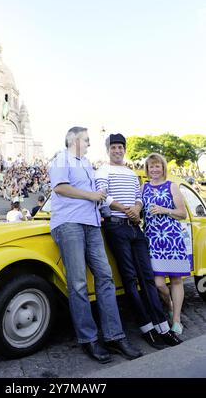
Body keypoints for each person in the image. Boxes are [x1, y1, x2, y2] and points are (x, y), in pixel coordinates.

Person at [49, 126, 142, 363]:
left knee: (105, 277)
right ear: (74, 140)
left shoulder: (87, 163)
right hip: (69, 223)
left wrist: (100, 198)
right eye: (86, 140)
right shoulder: (62, 157)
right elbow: (59, 187)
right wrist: (91, 195)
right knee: (78, 283)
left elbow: (94, 195)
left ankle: (114, 336)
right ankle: (88, 339)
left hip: (92, 225)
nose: (90, 143)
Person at [95, 133, 182, 349]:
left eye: (120, 147)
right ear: (108, 150)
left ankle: (162, 326)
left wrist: (137, 208)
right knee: (130, 279)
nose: (117, 150)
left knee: (148, 279)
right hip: (116, 226)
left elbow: (138, 197)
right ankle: (147, 328)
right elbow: (102, 195)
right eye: (113, 147)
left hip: (135, 227)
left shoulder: (132, 174)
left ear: (124, 150)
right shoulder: (103, 170)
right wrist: (125, 209)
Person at [142, 153, 190, 335]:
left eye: (157, 166)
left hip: (172, 238)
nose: (154, 169)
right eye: (151, 166)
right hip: (152, 239)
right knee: (158, 283)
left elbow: (182, 213)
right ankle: (169, 305)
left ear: (163, 168)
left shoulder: (172, 186)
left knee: (176, 280)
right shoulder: (144, 187)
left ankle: (176, 319)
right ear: (147, 169)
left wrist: (163, 210)